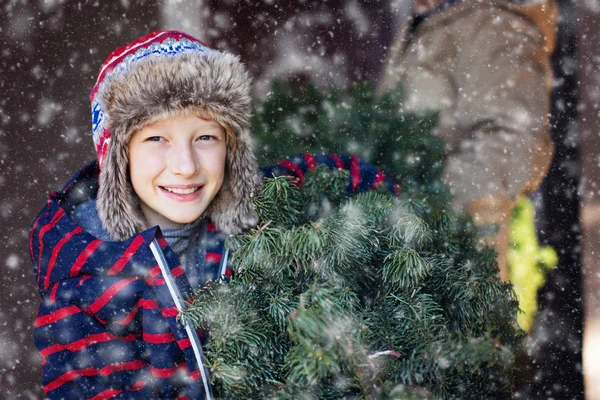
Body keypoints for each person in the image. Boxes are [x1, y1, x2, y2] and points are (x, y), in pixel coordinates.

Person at [30, 30, 398, 399]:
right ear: (119, 157)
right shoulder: (84, 279)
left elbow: (347, 181)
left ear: (230, 146)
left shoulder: (258, 206)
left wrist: (402, 221)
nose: (186, 167)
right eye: (157, 139)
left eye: (205, 137)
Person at [378, 0, 557, 280]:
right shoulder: (429, 21)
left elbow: (515, 140)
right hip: (401, 261)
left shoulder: (497, 22)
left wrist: (438, 204)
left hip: (450, 270)